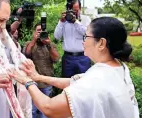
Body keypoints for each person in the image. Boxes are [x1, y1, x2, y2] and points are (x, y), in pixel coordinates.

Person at [9, 17, 139, 118]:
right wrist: (37, 77)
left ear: (101, 43)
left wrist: (28, 82)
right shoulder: (117, 67)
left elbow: (49, 108)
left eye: (85, 36)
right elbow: (74, 82)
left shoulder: (98, 79)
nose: (82, 41)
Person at [23, 23, 60, 118]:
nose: (40, 33)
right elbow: (26, 54)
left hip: (46, 82)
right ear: (34, 32)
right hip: (32, 83)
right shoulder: (29, 44)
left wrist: (48, 45)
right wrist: (34, 40)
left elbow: (56, 58)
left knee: (45, 111)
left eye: (42, 31)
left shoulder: (51, 45)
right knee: (33, 110)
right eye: (38, 31)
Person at [54, 0, 91, 78]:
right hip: (68, 58)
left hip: (83, 57)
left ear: (80, 9)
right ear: (68, 9)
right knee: (67, 83)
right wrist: (61, 22)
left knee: (84, 82)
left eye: (76, 10)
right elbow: (57, 36)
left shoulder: (85, 19)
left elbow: (87, 33)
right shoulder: (63, 21)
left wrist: (75, 22)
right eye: (71, 10)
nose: (73, 13)